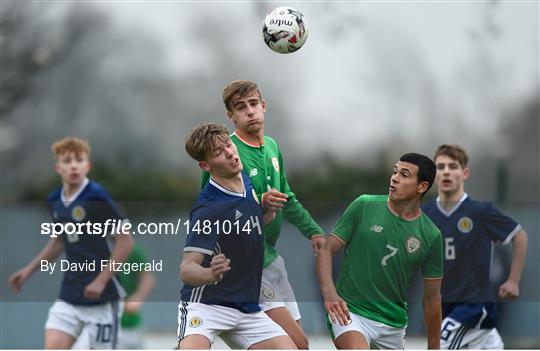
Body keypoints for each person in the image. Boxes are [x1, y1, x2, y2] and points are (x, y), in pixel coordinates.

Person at [201, 80, 325, 349]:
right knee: (295, 343)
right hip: (246, 266)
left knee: (297, 345)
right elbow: (210, 213)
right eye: (240, 107)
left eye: (254, 104)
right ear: (230, 116)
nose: (250, 111)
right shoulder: (225, 153)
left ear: (264, 106)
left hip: (271, 258)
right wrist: (258, 206)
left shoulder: (271, 146)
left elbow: (286, 196)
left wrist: (313, 230)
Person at [178, 123, 295, 349]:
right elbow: (186, 269)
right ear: (205, 165)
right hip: (207, 305)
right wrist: (210, 273)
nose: (230, 153)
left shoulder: (243, 177)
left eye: (228, 145)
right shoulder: (208, 209)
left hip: (245, 306)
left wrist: (266, 208)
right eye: (218, 153)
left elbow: (249, 223)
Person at [9, 137, 134, 349]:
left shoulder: (96, 196)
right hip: (70, 292)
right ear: (59, 167)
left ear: (88, 166)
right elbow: (60, 241)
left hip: (102, 298)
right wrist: (28, 271)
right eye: (67, 161)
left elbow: (126, 242)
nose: (73, 165)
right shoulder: (54, 199)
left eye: (79, 160)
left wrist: (101, 280)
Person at [316, 153, 444, 349]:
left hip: (394, 325)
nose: (395, 178)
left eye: (404, 174)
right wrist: (330, 293)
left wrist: (434, 347)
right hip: (350, 314)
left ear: (422, 186)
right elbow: (326, 251)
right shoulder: (364, 205)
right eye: (394, 172)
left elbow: (432, 298)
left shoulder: (431, 235)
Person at [422, 144, 528, 349]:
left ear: (465, 173)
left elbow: (520, 236)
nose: (446, 172)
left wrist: (513, 281)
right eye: (441, 167)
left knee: (437, 347)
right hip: (443, 307)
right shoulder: (424, 214)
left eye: (452, 166)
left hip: (473, 307)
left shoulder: (480, 211)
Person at [117, 243, 155, 349]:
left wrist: (138, 298)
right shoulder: (96, 248)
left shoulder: (132, 249)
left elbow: (147, 278)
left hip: (128, 322)